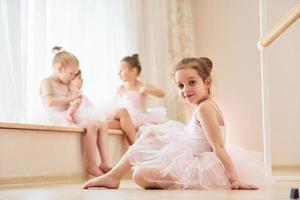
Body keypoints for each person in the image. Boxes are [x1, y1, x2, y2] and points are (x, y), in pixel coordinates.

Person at [83, 57, 266, 190]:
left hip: (201, 166)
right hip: (193, 155)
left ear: (207, 82)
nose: (185, 90)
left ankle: (113, 176)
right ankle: (113, 176)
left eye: (191, 82)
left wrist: (234, 179)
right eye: (180, 86)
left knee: (139, 175)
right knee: (151, 133)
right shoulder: (205, 105)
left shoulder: (205, 109)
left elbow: (218, 146)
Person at [40, 46, 111, 177]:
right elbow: (49, 102)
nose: (73, 77)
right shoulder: (47, 82)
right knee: (93, 125)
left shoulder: (69, 84)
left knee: (101, 123)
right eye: (71, 73)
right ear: (59, 68)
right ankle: (91, 165)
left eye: (75, 74)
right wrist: (69, 99)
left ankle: (105, 162)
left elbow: (77, 98)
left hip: (69, 114)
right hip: (56, 115)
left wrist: (73, 107)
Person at [111, 54, 168, 129]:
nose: (119, 73)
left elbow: (162, 93)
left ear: (133, 71)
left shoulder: (143, 85)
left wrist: (147, 90)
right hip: (128, 116)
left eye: (121, 71)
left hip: (142, 116)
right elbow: (115, 103)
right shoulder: (121, 88)